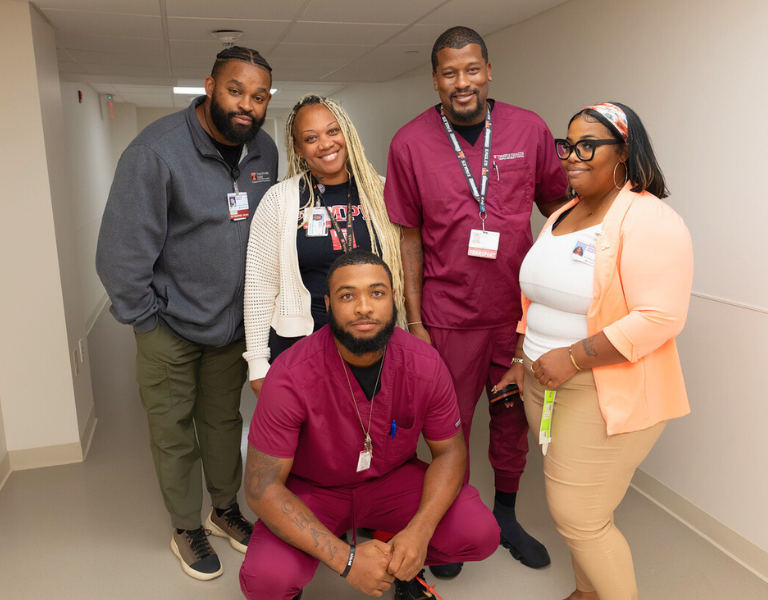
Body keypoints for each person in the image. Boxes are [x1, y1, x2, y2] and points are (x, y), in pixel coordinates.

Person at [383, 25, 568, 575]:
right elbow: (408, 237)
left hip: (517, 317)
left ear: (488, 71)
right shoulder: (410, 142)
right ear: (435, 78)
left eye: (471, 70)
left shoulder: (529, 129)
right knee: (449, 427)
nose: (461, 82)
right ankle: (453, 521)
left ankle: (506, 516)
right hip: (448, 317)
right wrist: (415, 320)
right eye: (448, 72)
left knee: (512, 423)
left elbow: (560, 212)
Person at [96, 46, 278, 581]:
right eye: (235, 90)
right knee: (173, 429)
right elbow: (119, 254)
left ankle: (224, 511)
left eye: (259, 96)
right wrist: (147, 319)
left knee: (224, 422)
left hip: (230, 325)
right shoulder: (155, 153)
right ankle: (185, 525)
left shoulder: (263, 151)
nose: (246, 104)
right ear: (210, 85)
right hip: (168, 328)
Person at [500, 102, 693, 600]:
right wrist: (523, 361)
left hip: (600, 386)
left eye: (587, 146)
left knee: (580, 518)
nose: (570, 157)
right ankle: (588, 593)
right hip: (544, 383)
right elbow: (536, 296)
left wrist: (573, 357)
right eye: (568, 145)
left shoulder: (650, 218)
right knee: (575, 509)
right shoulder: (564, 212)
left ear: (624, 152)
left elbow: (660, 316)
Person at [239, 250, 500, 600]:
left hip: (390, 483)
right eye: (348, 296)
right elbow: (261, 487)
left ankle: (403, 565)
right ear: (329, 304)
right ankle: (334, 560)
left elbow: (450, 451)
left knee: (479, 532)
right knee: (267, 581)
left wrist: (418, 533)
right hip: (313, 490)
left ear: (393, 299)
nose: (364, 307)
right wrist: (346, 561)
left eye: (377, 293)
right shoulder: (290, 374)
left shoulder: (425, 363)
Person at [244, 94, 405, 397]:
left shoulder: (383, 192)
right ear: (298, 149)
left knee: (372, 432)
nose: (326, 143)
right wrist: (257, 363)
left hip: (373, 343)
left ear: (347, 132)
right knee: (309, 439)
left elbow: (404, 270)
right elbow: (259, 287)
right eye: (311, 137)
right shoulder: (280, 201)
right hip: (300, 347)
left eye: (333, 131)